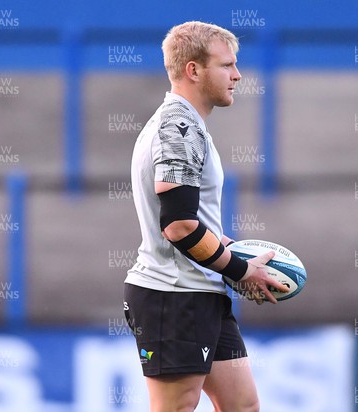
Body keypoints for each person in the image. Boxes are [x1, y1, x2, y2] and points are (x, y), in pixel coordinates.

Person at [123, 21, 289, 412]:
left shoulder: (188, 125)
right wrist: (238, 270)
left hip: (198, 290)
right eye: (227, 65)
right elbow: (178, 225)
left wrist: (238, 255)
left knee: (242, 405)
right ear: (193, 70)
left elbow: (192, 222)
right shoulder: (178, 128)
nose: (238, 74)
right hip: (172, 295)